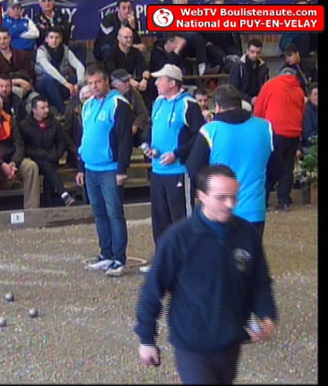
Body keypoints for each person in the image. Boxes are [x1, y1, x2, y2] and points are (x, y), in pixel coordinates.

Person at [134, 164, 278, 384]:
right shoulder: (177, 238)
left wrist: (266, 314)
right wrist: (146, 339)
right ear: (201, 196)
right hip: (193, 343)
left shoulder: (246, 233)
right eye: (221, 197)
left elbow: (259, 281)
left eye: (234, 197)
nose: (230, 204)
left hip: (230, 338)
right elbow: (152, 290)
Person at [139, 64, 204, 274]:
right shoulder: (158, 102)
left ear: (172, 83)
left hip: (178, 170)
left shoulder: (189, 105)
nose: (156, 83)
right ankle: (163, 259)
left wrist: (177, 153)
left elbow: (198, 135)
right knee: (160, 217)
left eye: (160, 79)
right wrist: (147, 146)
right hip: (158, 170)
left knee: (181, 217)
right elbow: (151, 127)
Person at [187, 85, 273, 238]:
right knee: (248, 259)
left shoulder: (209, 131)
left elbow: (194, 169)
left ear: (218, 107)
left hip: (218, 210)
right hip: (254, 208)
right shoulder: (265, 127)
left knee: (218, 260)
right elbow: (276, 168)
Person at [77, 65, 134, 277]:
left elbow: (124, 139)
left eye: (97, 82)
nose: (94, 87)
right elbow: (83, 137)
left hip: (110, 168)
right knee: (99, 213)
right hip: (91, 168)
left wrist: (122, 168)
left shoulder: (119, 104)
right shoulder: (88, 105)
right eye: (90, 83)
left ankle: (119, 259)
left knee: (114, 214)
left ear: (106, 81)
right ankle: (106, 254)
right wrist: (81, 166)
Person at [253, 67, 305, 212]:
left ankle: (263, 201)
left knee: (269, 165)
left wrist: (258, 127)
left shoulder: (270, 85)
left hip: (275, 131)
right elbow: (302, 111)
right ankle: (284, 201)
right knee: (287, 168)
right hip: (294, 132)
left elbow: (259, 109)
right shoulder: (299, 91)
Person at [19, 96, 75, 207]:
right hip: (35, 158)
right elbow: (24, 147)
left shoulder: (54, 123)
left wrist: (58, 154)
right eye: (42, 108)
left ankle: (50, 204)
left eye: (47, 107)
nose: (46, 110)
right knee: (47, 166)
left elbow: (61, 141)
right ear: (34, 110)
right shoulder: (24, 125)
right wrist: (43, 154)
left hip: (52, 157)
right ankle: (63, 194)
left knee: (49, 169)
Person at [34, 27, 85, 115]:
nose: (54, 40)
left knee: (79, 78)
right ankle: (62, 111)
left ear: (61, 39)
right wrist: (65, 82)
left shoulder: (65, 50)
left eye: (57, 38)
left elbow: (79, 66)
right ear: (46, 39)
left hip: (60, 85)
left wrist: (79, 83)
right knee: (48, 78)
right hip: (43, 86)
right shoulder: (41, 51)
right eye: (51, 37)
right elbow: (49, 69)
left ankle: (79, 107)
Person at [110, 69, 150, 148]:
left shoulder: (134, 94)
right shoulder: (110, 97)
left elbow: (143, 113)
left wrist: (135, 125)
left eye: (128, 81)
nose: (128, 84)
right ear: (115, 84)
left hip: (133, 131)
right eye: (124, 82)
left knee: (147, 133)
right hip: (117, 130)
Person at [104, 27, 149, 94]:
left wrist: (145, 80)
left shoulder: (135, 52)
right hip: (117, 82)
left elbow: (145, 67)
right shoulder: (111, 53)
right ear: (118, 38)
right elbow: (112, 73)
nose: (129, 39)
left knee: (148, 84)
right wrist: (129, 81)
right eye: (126, 37)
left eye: (131, 37)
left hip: (133, 81)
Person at [228, 39, 269, 106]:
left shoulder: (263, 67)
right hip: (241, 100)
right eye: (252, 52)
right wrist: (249, 99)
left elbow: (265, 87)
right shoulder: (237, 66)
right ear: (247, 51)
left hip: (258, 99)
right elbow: (233, 90)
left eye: (258, 52)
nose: (255, 55)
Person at [299, 82, 318, 156]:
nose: (317, 97)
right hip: (310, 146)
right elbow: (307, 133)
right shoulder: (307, 110)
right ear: (309, 97)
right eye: (315, 94)